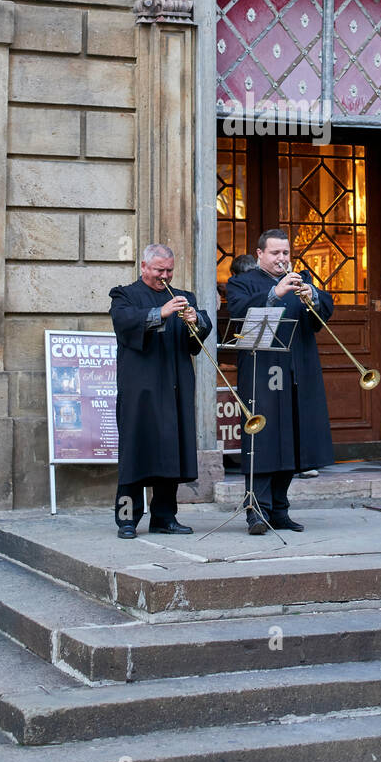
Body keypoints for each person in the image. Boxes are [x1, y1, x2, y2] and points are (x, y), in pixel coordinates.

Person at [225, 229, 334, 535]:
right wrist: (276, 293)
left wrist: (314, 296)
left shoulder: (303, 280)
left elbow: (321, 317)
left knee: (292, 439)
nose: (282, 259)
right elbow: (238, 312)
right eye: (275, 253)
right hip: (262, 372)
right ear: (259, 254)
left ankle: (280, 510)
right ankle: (256, 511)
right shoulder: (241, 282)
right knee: (264, 440)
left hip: (298, 370)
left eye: (286, 253)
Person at [109, 243, 212, 539]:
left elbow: (195, 344)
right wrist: (160, 312)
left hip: (176, 386)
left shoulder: (185, 297)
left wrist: (198, 322)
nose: (164, 276)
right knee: (135, 453)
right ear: (143, 267)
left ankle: (164, 517)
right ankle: (127, 519)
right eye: (158, 270)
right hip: (140, 389)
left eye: (169, 271)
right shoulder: (124, 295)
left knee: (172, 453)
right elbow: (124, 324)